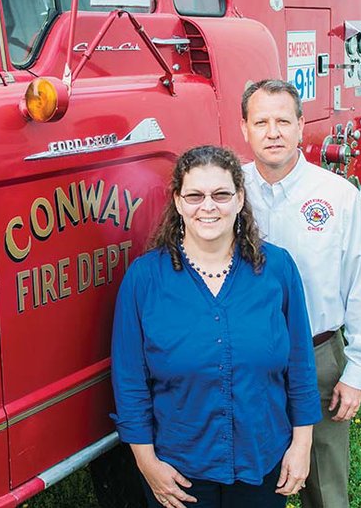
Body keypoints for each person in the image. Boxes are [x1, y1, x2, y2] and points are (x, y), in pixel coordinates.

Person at [111, 145, 322, 508]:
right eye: (194, 195)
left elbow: (300, 367)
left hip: (262, 460)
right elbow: (130, 383)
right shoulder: (144, 280)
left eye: (221, 194)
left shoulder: (278, 270)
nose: (208, 206)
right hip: (179, 471)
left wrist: (301, 447)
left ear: (240, 199)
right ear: (178, 202)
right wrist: (147, 464)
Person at [240, 80, 361, 508]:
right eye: (261, 121)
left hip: (319, 355)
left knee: (325, 485)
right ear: (244, 128)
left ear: (302, 126)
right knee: (252, 479)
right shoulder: (229, 192)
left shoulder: (336, 196)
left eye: (283, 120)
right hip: (249, 356)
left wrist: (356, 372)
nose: (273, 132)